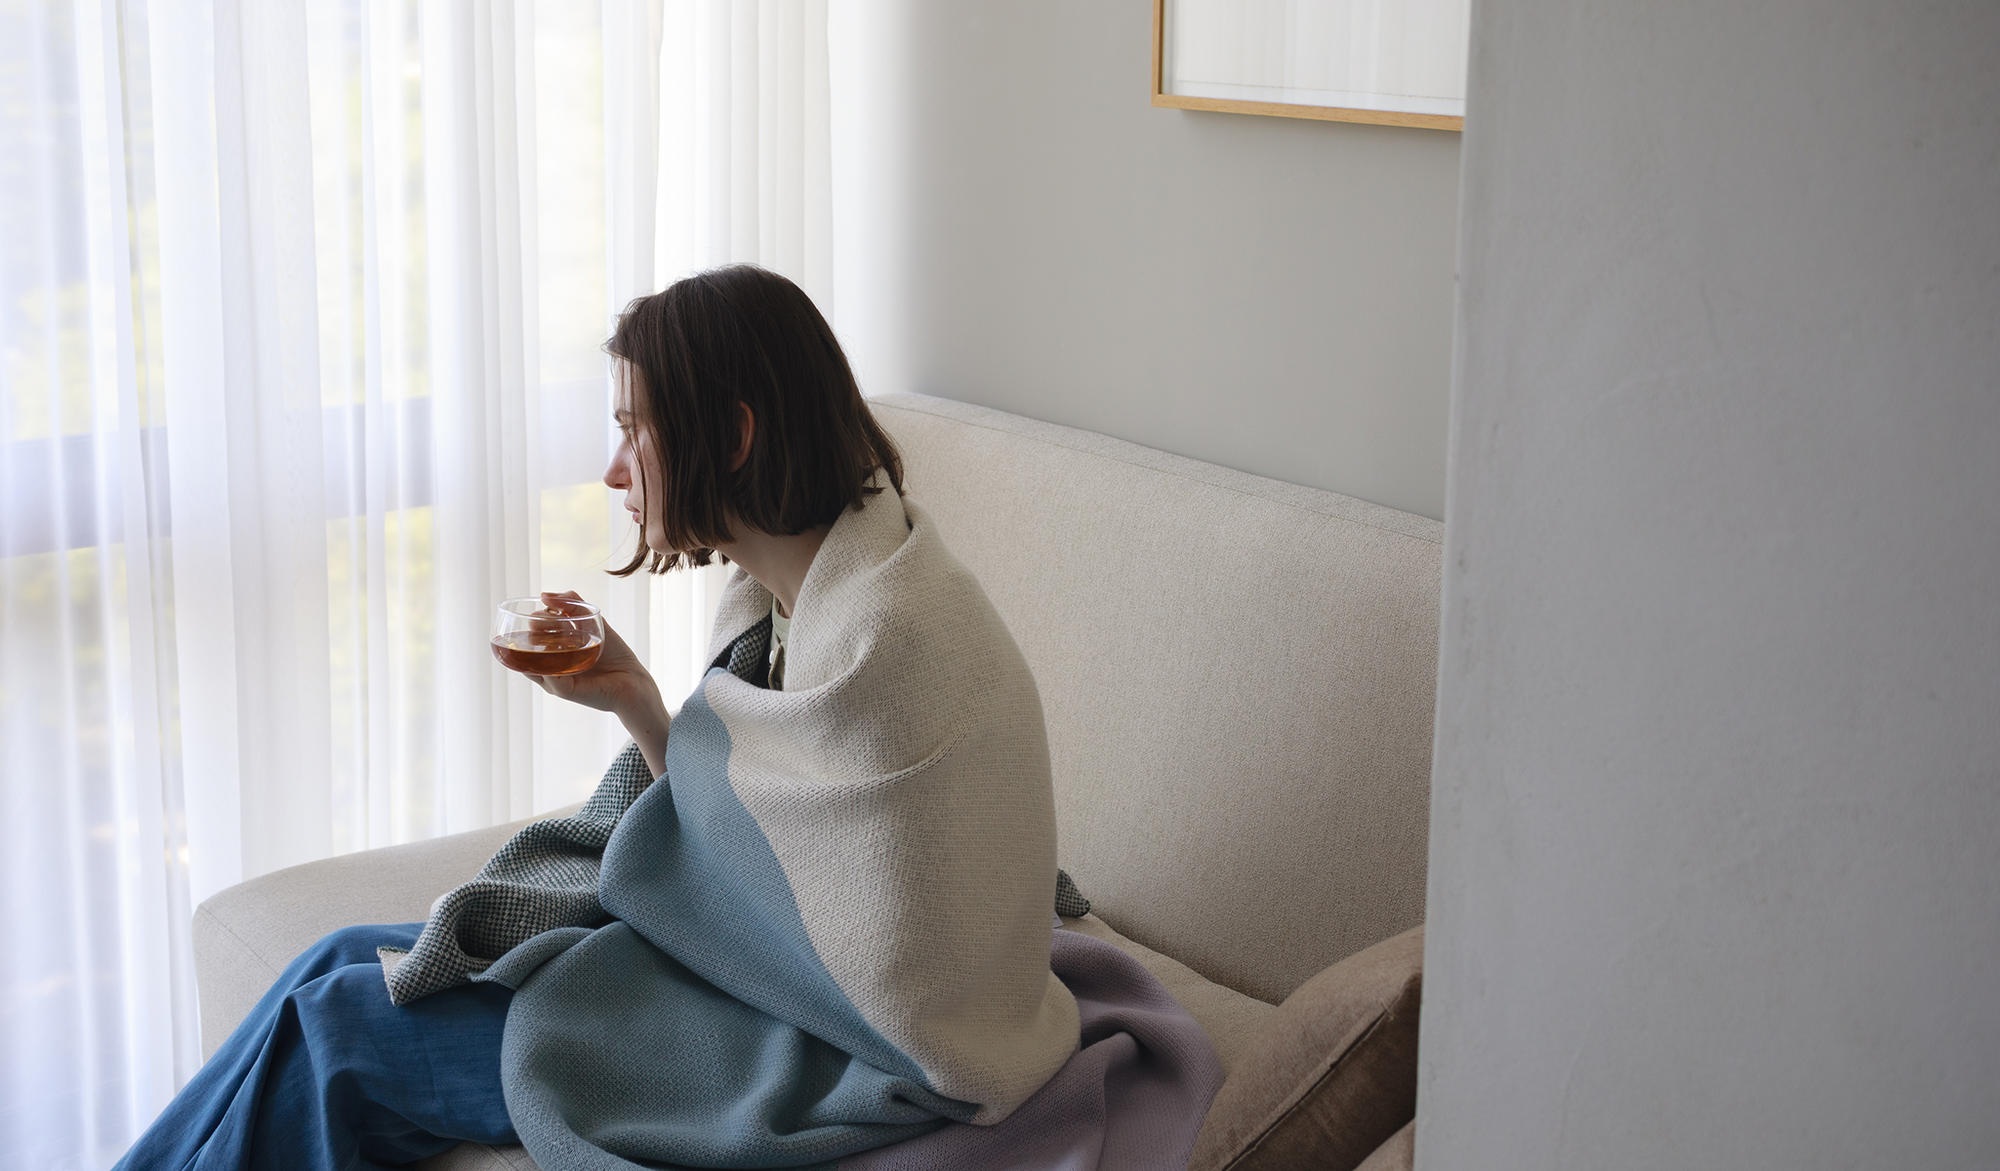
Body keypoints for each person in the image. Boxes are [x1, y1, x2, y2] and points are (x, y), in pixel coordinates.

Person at [114, 265, 1091, 1171]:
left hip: (832, 1042)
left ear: (734, 436)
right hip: (760, 984)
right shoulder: (789, 592)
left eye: (633, 429)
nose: (614, 469)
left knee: (340, 1029)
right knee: (330, 959)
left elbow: (846, 956)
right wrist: (638, 703)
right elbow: (770, 856)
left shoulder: (889, 642)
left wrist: (660, 740)